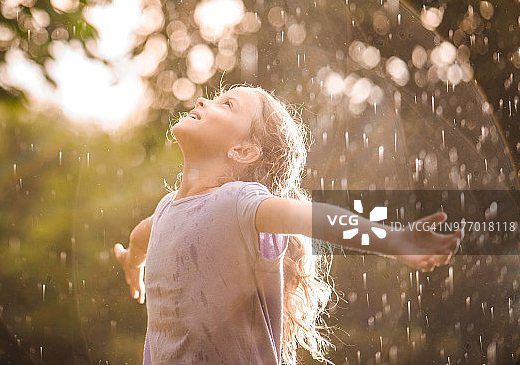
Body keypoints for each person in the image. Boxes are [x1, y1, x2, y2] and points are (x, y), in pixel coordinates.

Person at [113, 84, 462, 364]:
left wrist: (395, 241)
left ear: (244, 151)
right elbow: (141, 236)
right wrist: (133, 261)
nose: (205, 100)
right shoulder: (165, 212)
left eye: (227, 105)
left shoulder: (237, 203)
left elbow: (317, 219)